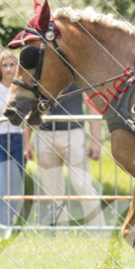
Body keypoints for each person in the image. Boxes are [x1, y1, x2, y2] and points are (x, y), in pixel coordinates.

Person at [33, 83, 104, 228]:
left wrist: (95, 141)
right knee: (52, 189)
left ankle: (99, 229)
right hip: (44, 135)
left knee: (81, 183)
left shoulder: (77, 77)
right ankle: (61, 230)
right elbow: (31, 109)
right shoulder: (40, 77)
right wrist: (26, 142)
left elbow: (92, 106)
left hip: (73, 134)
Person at [0, 51, 33, 237]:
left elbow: (28, 119)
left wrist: (27, 144)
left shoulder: (22, 89)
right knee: (0, 189)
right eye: (5, 65)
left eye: (12, 65)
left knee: (15, 189)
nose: (9, 69)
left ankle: (11, 228)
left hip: (18, 141)